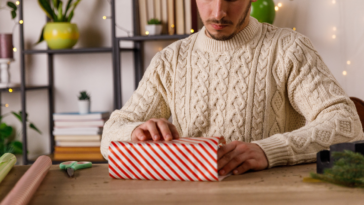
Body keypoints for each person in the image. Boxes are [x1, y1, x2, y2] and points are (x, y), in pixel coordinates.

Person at [101, 0, 364, 176]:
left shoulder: (289, 48)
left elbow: (346, 122)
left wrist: (269, 150)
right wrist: (135, 132)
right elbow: (109, 136)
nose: (218, 13)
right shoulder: (170, 59)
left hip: (272, 197)